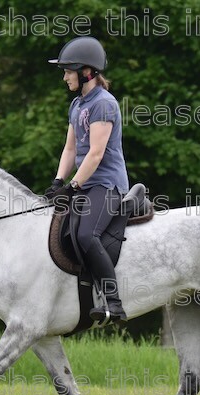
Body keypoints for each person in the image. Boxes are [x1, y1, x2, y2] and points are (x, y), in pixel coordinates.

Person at [46, 36, 129, 324]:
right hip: (86, 183)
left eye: (69, 71)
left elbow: (94, 154)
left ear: (86, 72)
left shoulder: (104, 104)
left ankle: (114, 303)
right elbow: (71, 148)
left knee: (85, 234)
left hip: (106, 184)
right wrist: (58, 182)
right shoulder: (77, 105)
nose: (65, 77)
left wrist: (73, 186)